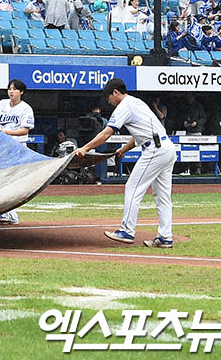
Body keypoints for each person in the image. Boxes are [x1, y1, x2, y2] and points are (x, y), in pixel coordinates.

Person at [74, 78, 175, 248]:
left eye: (109, 97)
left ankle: (127, 231)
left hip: (155, 150)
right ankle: (165, 237)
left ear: (116, 92)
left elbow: (106, 133)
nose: (109, 101)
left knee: (133, 188)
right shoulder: (137, 102)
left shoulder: (124, 106)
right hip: (166, 148)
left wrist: (85, 148)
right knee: (163, 196)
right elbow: (140, 134)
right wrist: (124, 149)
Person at [0, 78, 35, 225]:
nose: (11, 91)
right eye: (10, 89)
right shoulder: (2, 104)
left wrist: (6, 132)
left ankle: (8, 213)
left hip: (18, 147)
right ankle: (7, 213)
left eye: (15, 89)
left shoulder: (25, 108)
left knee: (9, 180)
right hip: (2, 147)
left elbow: (25, 130)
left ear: (21, 92)